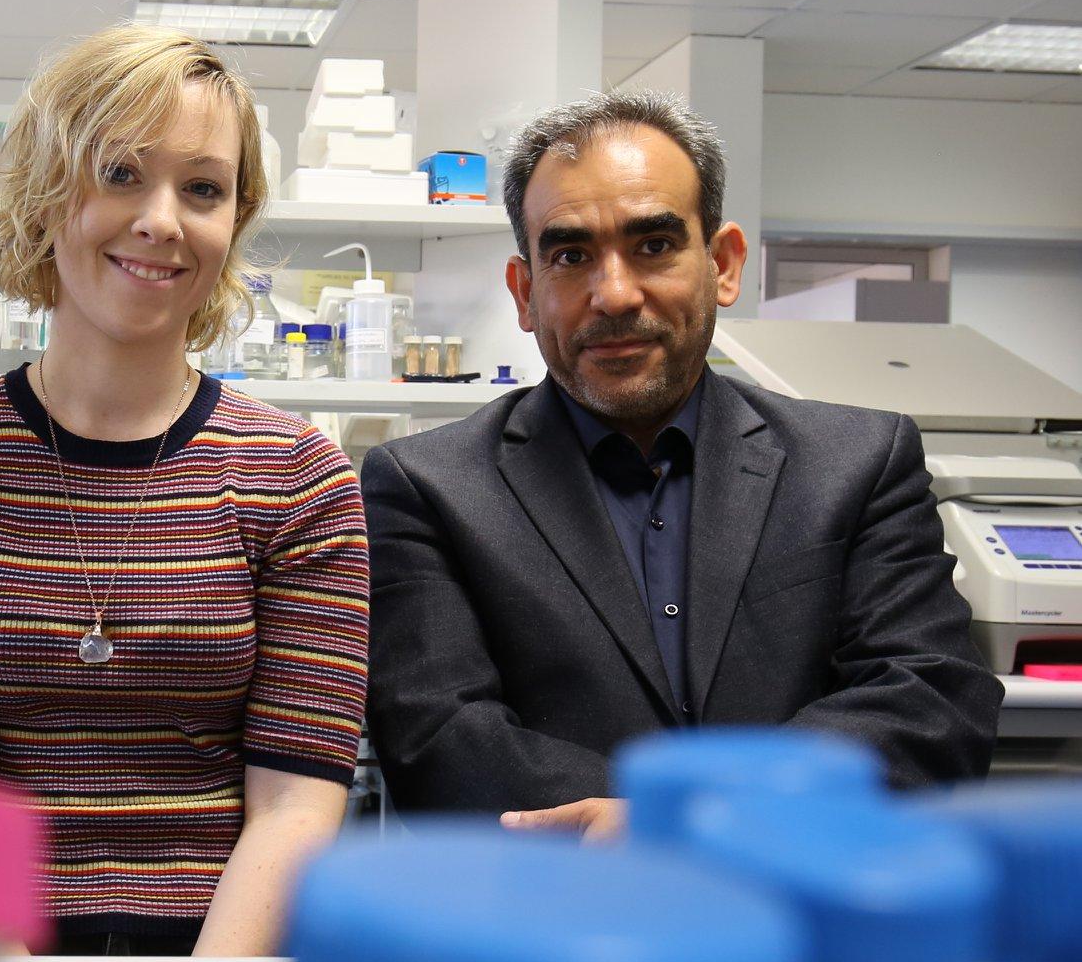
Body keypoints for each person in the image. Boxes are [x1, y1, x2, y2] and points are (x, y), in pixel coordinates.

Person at [0, 25, 369, 956]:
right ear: (50, 196)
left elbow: (296, 805)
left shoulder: (298, 477)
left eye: (203, 189)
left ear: (234, 221)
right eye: (121, 172)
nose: (163, 219)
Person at [363, 90, 999, 836]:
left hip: (804, 922)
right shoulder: (428, 487)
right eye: (570, 255)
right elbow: (437, 737)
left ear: (723, 263)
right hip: (551, 924)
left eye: (654, 244)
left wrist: (690, 823)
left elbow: (929, 696)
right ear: (526, 290)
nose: (615, 293)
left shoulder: (858, 463)